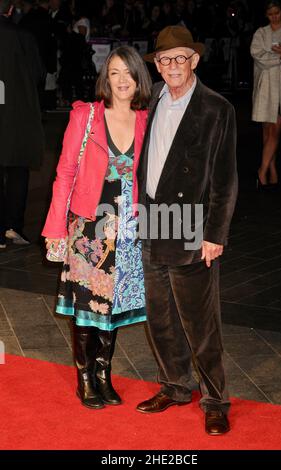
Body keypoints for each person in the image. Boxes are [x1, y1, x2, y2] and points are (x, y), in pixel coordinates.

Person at [135, 26, 238, 436]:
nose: (172, 66)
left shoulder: (216, 109)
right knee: (160, 319)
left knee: (201, 323)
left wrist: (215, 234)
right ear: (156, 66)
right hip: (152, 224)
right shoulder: (152, 100)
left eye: (180, 58)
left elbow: (225, 180)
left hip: (191, 229)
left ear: (195, 60)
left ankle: (215, 400)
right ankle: (175, 386)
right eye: (164, 59)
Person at [42, 46, 151, 409]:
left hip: (128, 227)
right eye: (115, 72)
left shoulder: (145, 120)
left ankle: (104, 373)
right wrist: (55, 228)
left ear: (139, 80)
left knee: (114, 303)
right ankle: (85, 378)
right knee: (88, 304)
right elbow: (65, 173)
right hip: (89, 226)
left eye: (129, 73)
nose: (122, 80)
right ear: (106, 77)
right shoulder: (86, 116)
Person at [0, 0, 45, 249]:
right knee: (17, 172)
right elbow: (38, 73)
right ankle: (12, 226)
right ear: (10, 10)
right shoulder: (24, 37)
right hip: (17, 116)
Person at [250, 0, 281, 188]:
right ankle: (272, 169)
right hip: (267, 87)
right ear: (266, 15)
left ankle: (261, 170)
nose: (274, 17)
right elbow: (258, 56)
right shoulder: (261, 33)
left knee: (277, 129)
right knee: (268, 129)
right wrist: (280, 56)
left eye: (277, 13)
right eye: (270, 14)